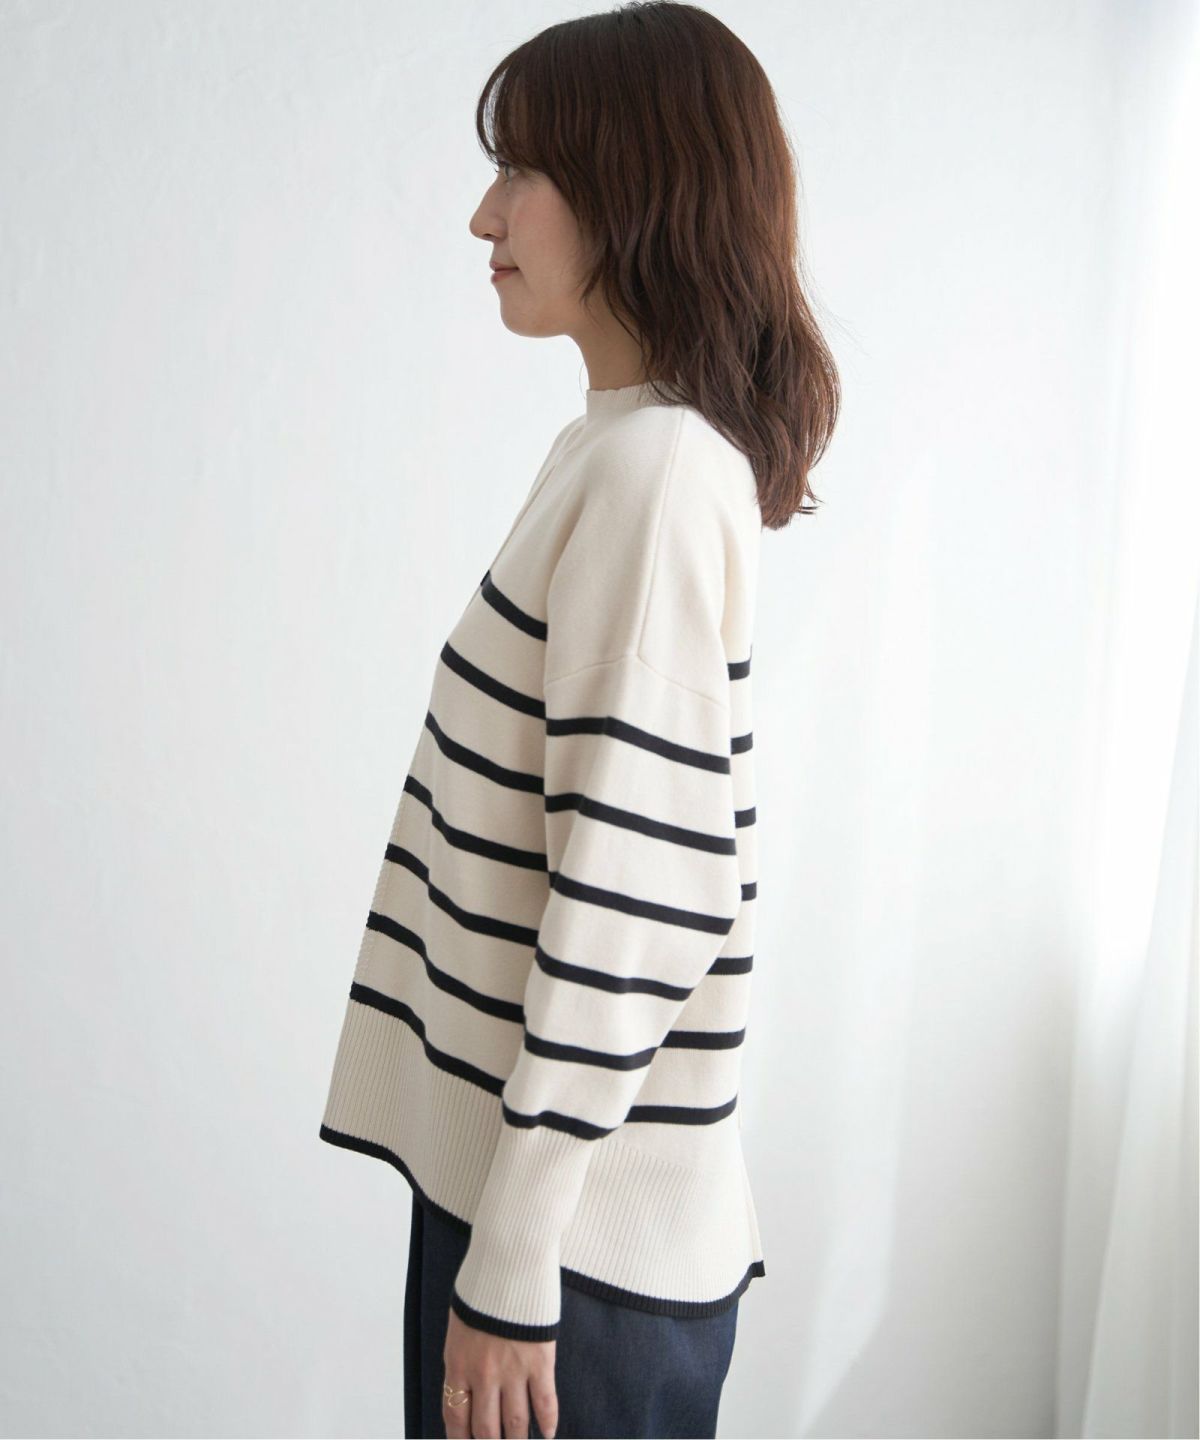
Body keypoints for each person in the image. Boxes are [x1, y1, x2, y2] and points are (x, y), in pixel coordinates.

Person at [318, 3, 840, 1435]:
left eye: (522, 172)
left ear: (634, 186)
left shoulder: (655, 473)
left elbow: (641, 895)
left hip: (573, 1259)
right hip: (541, 1222)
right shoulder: (610, 450)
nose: (484, 215)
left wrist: (512, 1254)